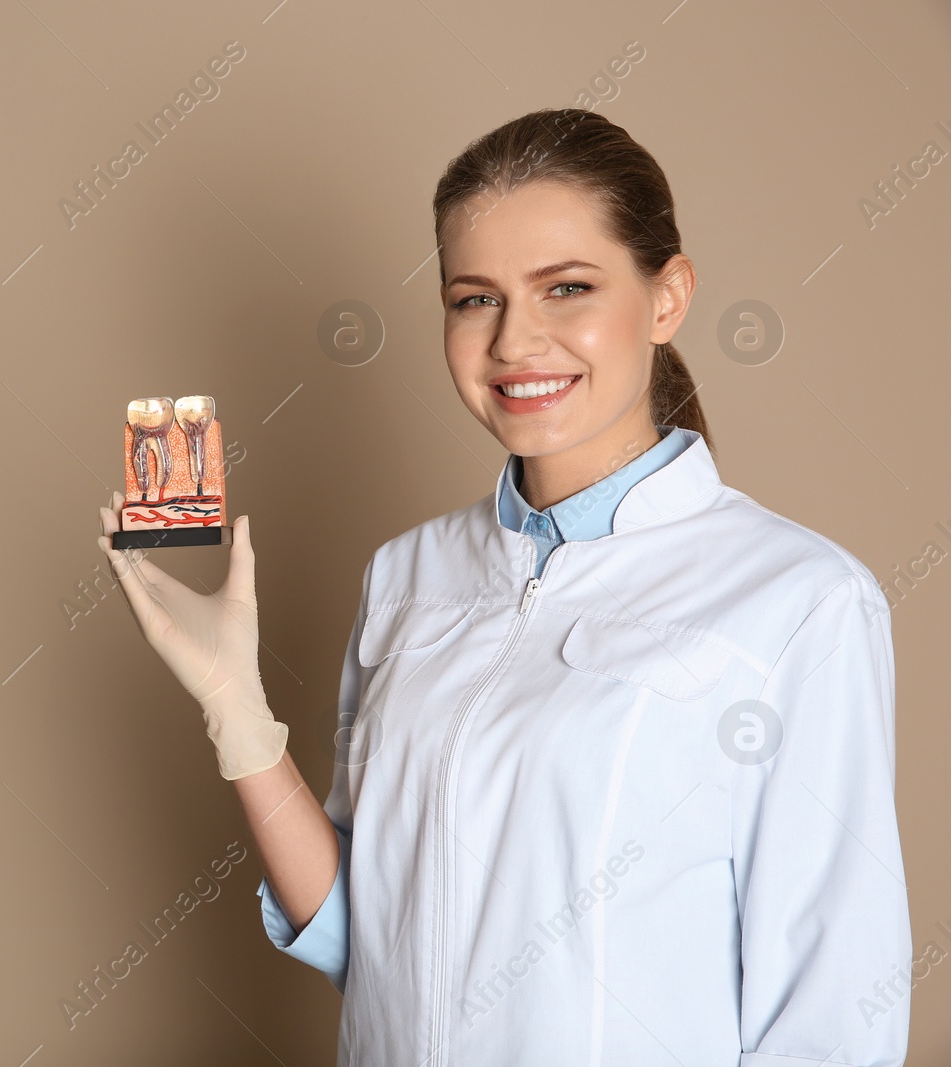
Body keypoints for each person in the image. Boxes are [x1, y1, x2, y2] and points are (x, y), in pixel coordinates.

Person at [96, 108, 910, 1065]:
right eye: (474, 298)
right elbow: (367, 932)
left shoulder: (798, 600)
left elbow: (833, 1008)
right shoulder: (406, 575)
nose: (516, 341)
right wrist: (237, 710)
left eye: (567, 287)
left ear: (667, 296)